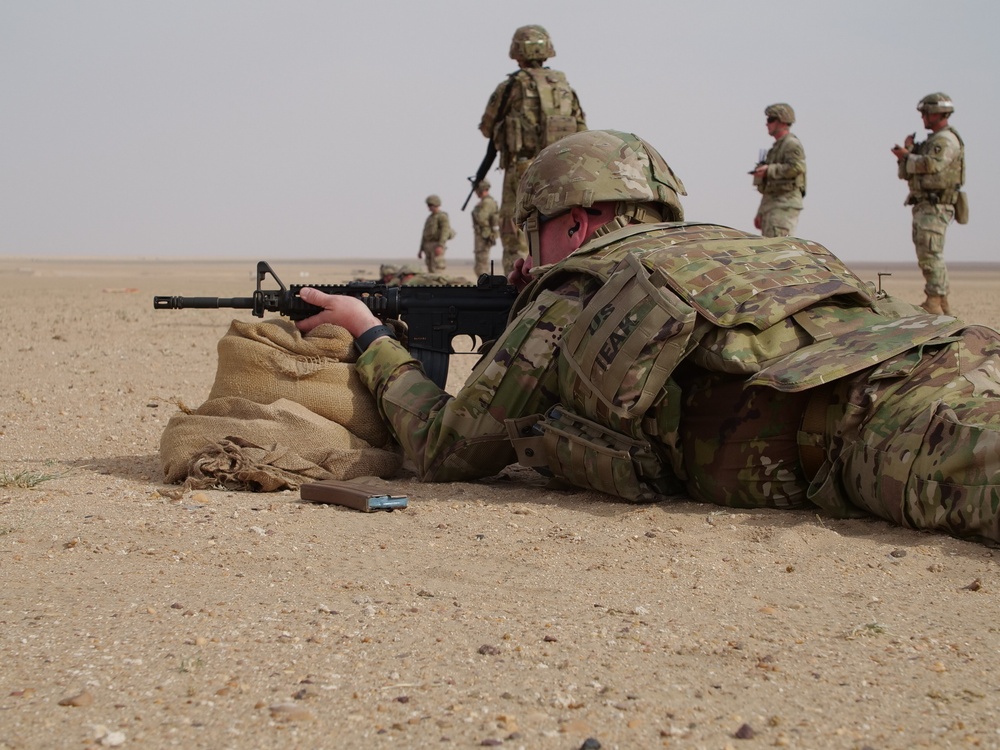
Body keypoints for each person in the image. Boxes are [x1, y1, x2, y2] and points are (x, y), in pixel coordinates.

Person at [297, 130, 1000, 544]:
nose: (530, 255)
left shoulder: (577, 284)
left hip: (882, 428)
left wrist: (369, 335)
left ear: (577, 220)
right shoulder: (734, 243)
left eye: (535, 231)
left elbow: (449, 448)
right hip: (958, 353)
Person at [479, 25, 586, 277]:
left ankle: (515, 288)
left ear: (517, 52)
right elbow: (582, 129)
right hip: (562, 169)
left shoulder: (512, 86)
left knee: (513, 228)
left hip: (522, 168)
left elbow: (487, 127)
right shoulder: (564, 87)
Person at [891, 92, 967, 315]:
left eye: (926, 113)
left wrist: (908, 156)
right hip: (925, 204)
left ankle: (934, 300)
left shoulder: (945, 140)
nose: (923, 117)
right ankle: (941, 303)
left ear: (937, 113)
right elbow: (907, 173)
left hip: (936, 204)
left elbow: (932, 165)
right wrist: (906, 155)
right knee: (927, 251)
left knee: (931, 252)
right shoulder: (932, 141)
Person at [751, 103, 806, 237]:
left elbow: (797, 167)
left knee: (779, 251)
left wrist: (769, 169)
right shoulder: (775, 149)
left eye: (770, 120)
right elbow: (770, 187)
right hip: (773, 207)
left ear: (782, 121)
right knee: (771, 250)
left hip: (784, 206)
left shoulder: (791, 144)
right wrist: (761, 211)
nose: (767, 124)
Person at [471, 179, 500, 277]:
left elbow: (482, 218)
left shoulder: (487, 202)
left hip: (484, 236)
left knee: (481, 267)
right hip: (483, 235)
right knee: (481, 265)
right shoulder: (487, 201)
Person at [419, 195, 453, 273]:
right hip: (428, 246)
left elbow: (445, 231)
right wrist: (421, 249)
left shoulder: (442, 216)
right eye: (428, 205)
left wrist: (440, 245)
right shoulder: (429, 218)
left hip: (436, 245)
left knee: (438, 269)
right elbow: (424, 234)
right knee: (430, 269)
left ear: (436, 204)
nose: (429, 207)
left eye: (430, 205)